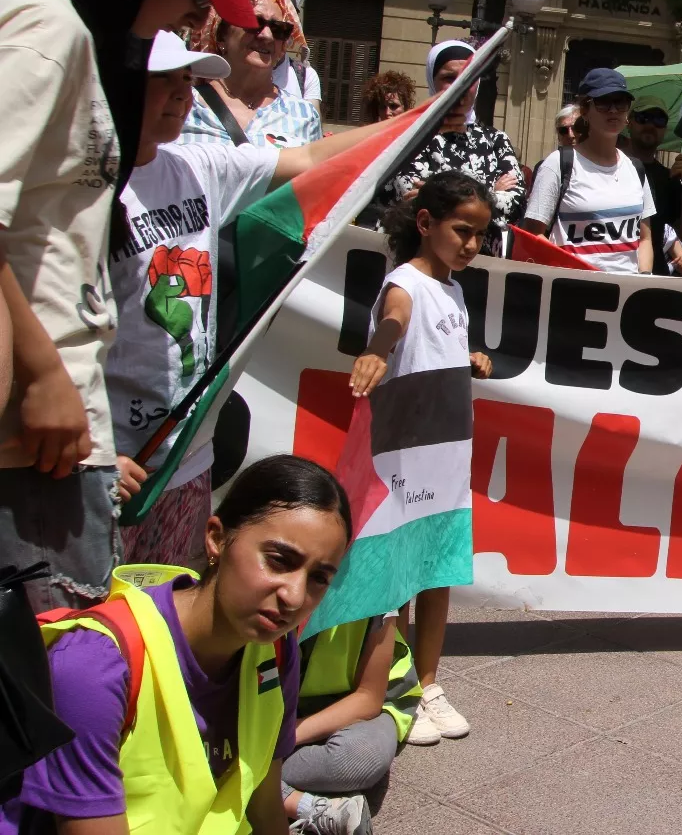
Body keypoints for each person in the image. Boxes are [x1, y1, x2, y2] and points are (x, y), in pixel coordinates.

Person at [0, 0, 255, 612]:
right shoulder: (46, 22)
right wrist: (45, 373)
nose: (192, 15)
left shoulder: (73, 34)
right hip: (32, 433)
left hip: (58, 435)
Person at [111, 30, 434, 571]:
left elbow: (308, 157)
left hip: (185, 458)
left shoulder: (199, 166)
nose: (181, 94)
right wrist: (91, 452)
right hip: (111, 466)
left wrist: (415, 120)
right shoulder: (85, 190)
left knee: (159, 620)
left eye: (186, 80)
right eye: (162, 81)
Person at [1, 454, 352, 835]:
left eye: (319, 577)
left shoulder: (277, 651)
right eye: (279, 560)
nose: (295, 596)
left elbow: (264, 805)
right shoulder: (93, 667)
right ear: (216, 537)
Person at [353, 172, 495, 746]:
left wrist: (470, 358)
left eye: (480, 236)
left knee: (437, 573)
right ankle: (394, 685)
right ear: (425, 223)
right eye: (462, 231)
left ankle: (428, 682)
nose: (470, 245)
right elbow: (395, 322)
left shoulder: (455, 289)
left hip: (448, 449)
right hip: (407, 454)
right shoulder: (404, 282)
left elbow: (435, 346)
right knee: (401, 575)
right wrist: (374, 351)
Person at [281, 611, 422, 833]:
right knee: (219, 747)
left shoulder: (373, 586)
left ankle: (255, 780)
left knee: (360, 758)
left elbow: (367, 699)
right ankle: (314, 807)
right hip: (275, 712)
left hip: (362, 706)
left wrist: (279, 739)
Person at [388, 40, 523, 256]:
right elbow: (410, 197)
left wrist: (439, 195)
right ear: (432, 80)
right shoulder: (411, 138)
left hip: (483, 266)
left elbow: (515, 205)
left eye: (468, 78)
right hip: (421, 260)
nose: (460, 87)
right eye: (449, 78)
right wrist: (491, 194)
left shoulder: (496, 140)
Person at [524, 68, 654, 273]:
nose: (613, 110)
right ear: (585, 110)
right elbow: (532, 236)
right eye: (603, 102)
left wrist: (644, 281)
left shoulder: (635, 168)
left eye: (620, 103)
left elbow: (645, 238)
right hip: (572, 293)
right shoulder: (558, 163)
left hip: (627, 296)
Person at [180, 0, 323, 148]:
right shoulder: (184, 106)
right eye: (254, 22)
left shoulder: (304, 115)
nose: (267, 36)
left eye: (278, 29)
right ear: (221, 36)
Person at [627, 96, 682, 276]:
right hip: (615, 266)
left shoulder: (669, 178)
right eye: (643, 117)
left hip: (654, 272)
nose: (650, 125)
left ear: (665, 129)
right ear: (629, 122)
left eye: (659, 120)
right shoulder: (610, 169)